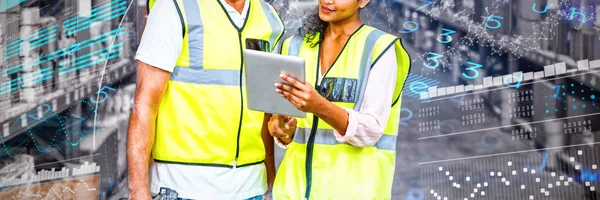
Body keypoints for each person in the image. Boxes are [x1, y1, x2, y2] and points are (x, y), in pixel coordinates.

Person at [127, 0, 284, 199]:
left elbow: (262, 108)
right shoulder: (175, 7)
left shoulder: (268, 16)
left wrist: (270, 179)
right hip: (183, 188)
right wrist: (139, 192)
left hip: (251, 187)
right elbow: (145, 104)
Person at [265, 0, 410, 198]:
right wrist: (283, 130)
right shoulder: (294, 45)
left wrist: (319, 106)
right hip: (293, 190)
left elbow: (370, 130)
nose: (328, 0)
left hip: (351, 192)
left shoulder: (378, 48)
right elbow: (292, 126)